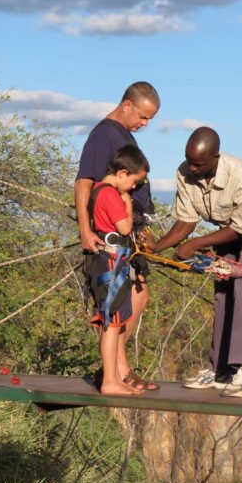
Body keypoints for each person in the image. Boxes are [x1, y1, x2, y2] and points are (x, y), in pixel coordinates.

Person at [141, 126, 242, 398]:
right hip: (226, 227)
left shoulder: (241, 177)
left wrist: (194, 245)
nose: (191, 168)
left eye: (198, 163)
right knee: (223, 288)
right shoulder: (185, 172)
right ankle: (219, 370)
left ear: (215, 157)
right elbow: (186, 221)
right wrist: (157, 246)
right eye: (189, 161)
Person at [75, 81, 159, 390]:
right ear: (126, 105)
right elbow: (84, 181)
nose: (145, 124)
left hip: (131, 230)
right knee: (124, 299)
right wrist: (85, 228)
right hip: (111, 235)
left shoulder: (124, 135)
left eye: (150, 119)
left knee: (137, 296)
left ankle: (119, 369)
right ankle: (117, 372)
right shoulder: (105, 133)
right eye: (143, 116)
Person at [86, 145, 151, 395]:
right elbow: (124, 228)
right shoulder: (110, 194)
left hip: (112, 262)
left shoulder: (98, 190)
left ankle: (113, 378)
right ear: (123, 173)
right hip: (111, 263)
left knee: (115, 321)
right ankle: (110, 381)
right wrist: (127, 204)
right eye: (134, 181)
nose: (134, 187)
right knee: (111, 323)